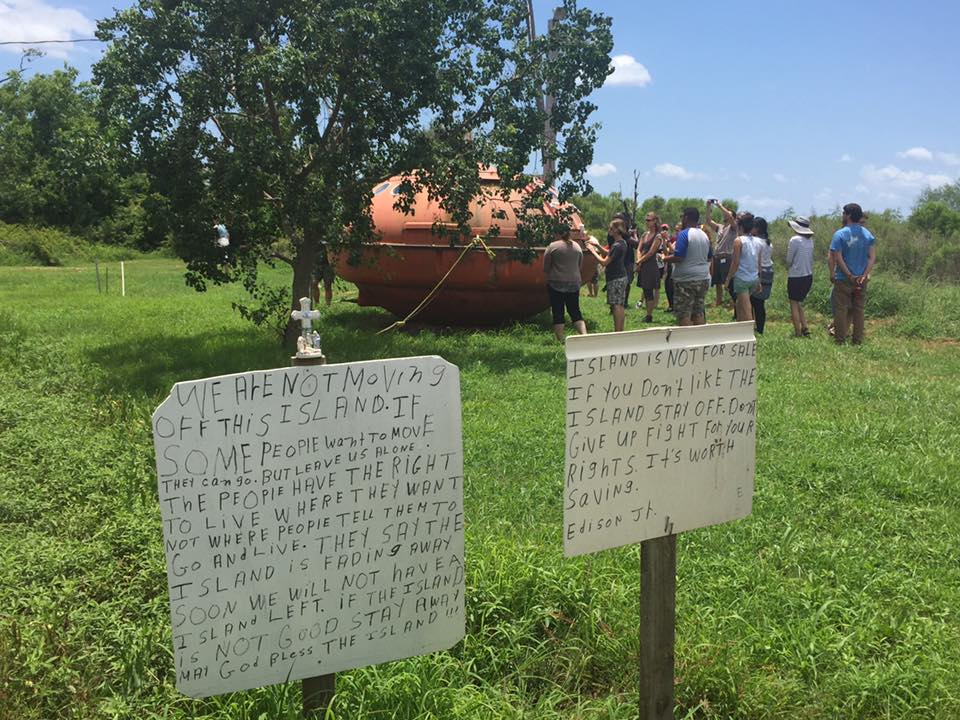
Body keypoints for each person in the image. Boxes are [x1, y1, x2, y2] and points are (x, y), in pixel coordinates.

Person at [830, 202, 876, 344]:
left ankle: (840, 339)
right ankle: (857, 340)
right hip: (861, 279)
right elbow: (872, 257)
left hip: (843, 278)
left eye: (844, 213)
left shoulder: (840, 234)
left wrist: (849, 274)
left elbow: (838, 257)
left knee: (841, 309)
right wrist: (864, 274)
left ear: (849, 215)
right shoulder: (867, 234)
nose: (843, 215)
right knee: (859, 310)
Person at [662, 206, 712, 326]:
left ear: (686, 218)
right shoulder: (704, 235)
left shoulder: (684, 234)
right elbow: (709, 256)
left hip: (686, 280)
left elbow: (679, 257)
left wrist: (664, 258)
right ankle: (699, 337)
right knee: (698, 312)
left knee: (684, 314)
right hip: (703, 278)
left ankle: (685, 338)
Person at [543, 227, 588, 341]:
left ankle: (560, 339)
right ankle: (584, 335)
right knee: (575, 311)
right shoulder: (577, 247)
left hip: (556, 282)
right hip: (574, 282)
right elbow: (579, 266)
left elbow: (546, 267)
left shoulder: (552, 246)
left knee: (558, 311)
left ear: (557, 234)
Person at [586, 218, 629, 332]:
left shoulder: (617, 245)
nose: (609, 230)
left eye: (611, 228)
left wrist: (593, 251)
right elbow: (610, 254)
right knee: (619, 304)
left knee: (616, 305)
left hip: (616, 279)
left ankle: (618, 331)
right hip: (621, 277)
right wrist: (598, 246)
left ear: (617, 230)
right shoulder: (622, 243)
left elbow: (604, 262)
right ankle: (620, 330)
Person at [726, 212, 760, 323]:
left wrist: (728, 278)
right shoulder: (757, 241)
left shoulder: (738, 241)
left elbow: (735, 263)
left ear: (740, 226)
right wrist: (759, 279)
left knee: (746, 309)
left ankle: (749, 331)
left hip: (742, 279)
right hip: (753, 278)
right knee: (739, 304)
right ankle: (740, 329)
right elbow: (758, 262)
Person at [704, 199, 737, 307]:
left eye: (727, 213)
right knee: (717, 282)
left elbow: (731, 217)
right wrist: (708, 207)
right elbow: (708, 221)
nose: (725, 214)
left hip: (727, 257)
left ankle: (733, 303)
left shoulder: (733, 227)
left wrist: (720, 206)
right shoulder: (720, 227)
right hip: (717, 257)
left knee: (728, 282)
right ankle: (719, 302)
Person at [786, 215, 815, 337]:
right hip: (808, 276)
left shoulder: (794, 240)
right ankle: (805, 327)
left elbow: (789, 260)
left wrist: (789, 267)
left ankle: (797, 332)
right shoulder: (810, 241)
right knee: (798, 302)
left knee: (793, 303)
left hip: (795, 276)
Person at [635, 212, 663, 322]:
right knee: (645, 290)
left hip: (651, 266)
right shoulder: (644, 235)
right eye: (646, 220)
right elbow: (639, 248)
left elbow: (651, 252)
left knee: (649, 291)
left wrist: (639, 261)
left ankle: (649, 315)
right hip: (643, 265)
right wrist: (639, 261)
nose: (647, 222)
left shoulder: (658, 236)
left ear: (655, 221)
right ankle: (648, 314)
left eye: (649, 220)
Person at [749, 217, 773, 334]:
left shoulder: (756, 242)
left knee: (753, 301)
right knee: (760, 303)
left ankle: (755, 328)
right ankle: (760, 328)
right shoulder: (768, 243)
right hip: (768, 272)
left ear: (757, 228)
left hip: (759, 272)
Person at [661, 223, 676, 312]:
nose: (664, 230)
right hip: (670, 264)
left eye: (666, 229)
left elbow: (672, 251)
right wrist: (664, 240)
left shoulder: (675, 239)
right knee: (667, 284)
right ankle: (671, 305)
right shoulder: (667, 239)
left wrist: (668, 239)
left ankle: (675, 305)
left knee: (673, 285)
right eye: (663, 229)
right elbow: (666, 252)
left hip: (676, 265)